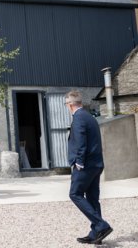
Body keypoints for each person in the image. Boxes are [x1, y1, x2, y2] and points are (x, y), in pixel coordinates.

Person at [65, 90, 113, 245]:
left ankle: (101, 225)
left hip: (84, 165)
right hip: (96, 164)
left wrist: (78, 162)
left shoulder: (78, 118)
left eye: (66, 104)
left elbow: (81, 142)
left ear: (70, 104)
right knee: (92, 198)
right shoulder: (89, 117)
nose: (67, 107)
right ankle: (95, 234)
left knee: (75, 194)